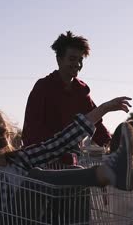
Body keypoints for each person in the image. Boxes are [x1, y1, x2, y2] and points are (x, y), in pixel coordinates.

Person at [0, 96, 133, 224]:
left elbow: (59, 143)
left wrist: (103, 108)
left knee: (75, 173)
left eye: (0, 129)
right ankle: (107, 173)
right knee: (36, 178)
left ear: (7, 132)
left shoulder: (20, 159)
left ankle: (108, 175)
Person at [22, 31, 112, 165]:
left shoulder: (81, 91)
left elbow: (96, 124)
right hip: (43, 163)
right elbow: (31, 131)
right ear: (59, 59)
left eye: (80, 60)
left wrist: (114, 146)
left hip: (71, 163)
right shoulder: (43, 87)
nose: (77, 64)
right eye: (72, 59)